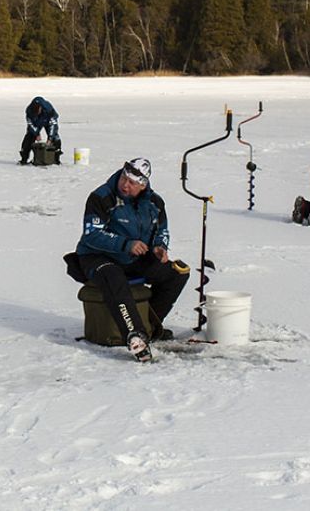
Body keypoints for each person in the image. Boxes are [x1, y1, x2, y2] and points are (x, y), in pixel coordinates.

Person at [66, 158, 189, 363]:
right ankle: (135, 335)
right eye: (124, 178)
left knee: (176, 273)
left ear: (143, 184)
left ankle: (150, 326)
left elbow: (162, 230)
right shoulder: (102, 197)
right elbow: (91, 235)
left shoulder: (155, 203)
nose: (125, 184)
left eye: (132, 183)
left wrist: (160, 247)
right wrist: (126, 244)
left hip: (133, 257)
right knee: (113, 275)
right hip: (96, 256)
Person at [19, 96, 60, 165]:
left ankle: (56, 159)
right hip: (36, 122)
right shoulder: (29, 111)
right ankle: (24, 159)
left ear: (41, 108)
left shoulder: (49, 110)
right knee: (29, 138)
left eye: (37, 111)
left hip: (47, 120)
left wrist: (50, 138)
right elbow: (30, 125)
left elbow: (53, 125)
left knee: (55, 138)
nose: (36, 113)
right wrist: (37, 134)